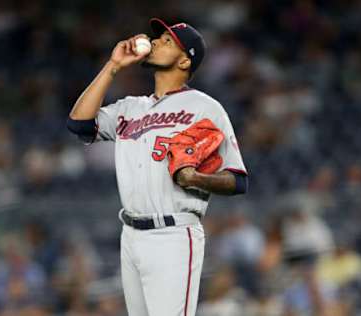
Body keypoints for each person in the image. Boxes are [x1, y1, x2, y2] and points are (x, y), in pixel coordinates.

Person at [66, 17, 248, 316]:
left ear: (184, 61)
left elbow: (238, 181)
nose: (155, 43)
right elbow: (78, 123)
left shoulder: (205, 107)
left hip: (173, 234)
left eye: (166, 41)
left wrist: (196, 178)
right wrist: (113, 66)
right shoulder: (130, 107)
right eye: (159, 38)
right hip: (131, 234)